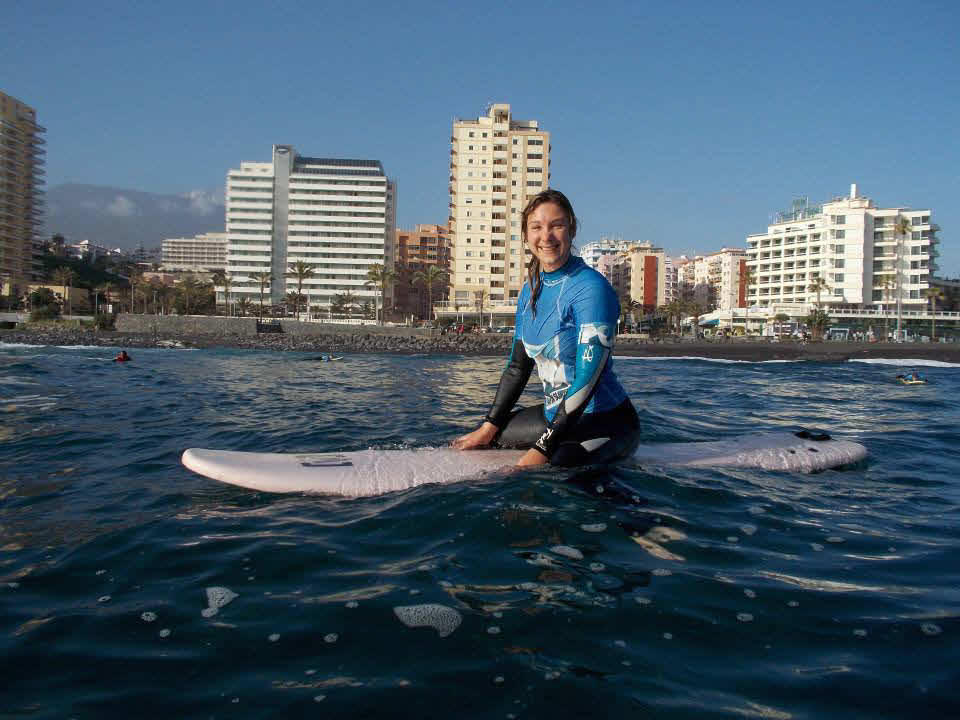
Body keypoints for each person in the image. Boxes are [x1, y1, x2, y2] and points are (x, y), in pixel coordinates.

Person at [452, 189, 640, 468]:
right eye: (537, 227)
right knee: (485, 440)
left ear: (572, 229)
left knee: (554, 469)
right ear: (526, 235)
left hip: (604, 420)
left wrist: (541, 449)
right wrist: (488, 426)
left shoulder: (590, 289)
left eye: (557, 225)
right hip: (556, 415)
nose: (546, 236)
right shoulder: (530, 291)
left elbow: (587, 382)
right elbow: (517, 368)